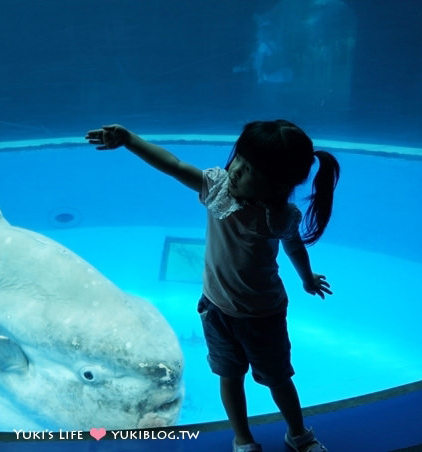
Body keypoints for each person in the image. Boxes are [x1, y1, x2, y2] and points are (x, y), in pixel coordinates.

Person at [85, 121, 339, 452]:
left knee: (278, 379)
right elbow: (173, 166)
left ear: (277, 185)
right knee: (230, 377)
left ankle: (298, 434)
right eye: (239, 159)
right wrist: (130, 140)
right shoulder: (216, 188)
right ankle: (243, 439)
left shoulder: (280, 216)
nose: (235, 170)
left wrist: (307, 277)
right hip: (217, 310)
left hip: (264, 316)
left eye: (250, 170)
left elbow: (293, 246)